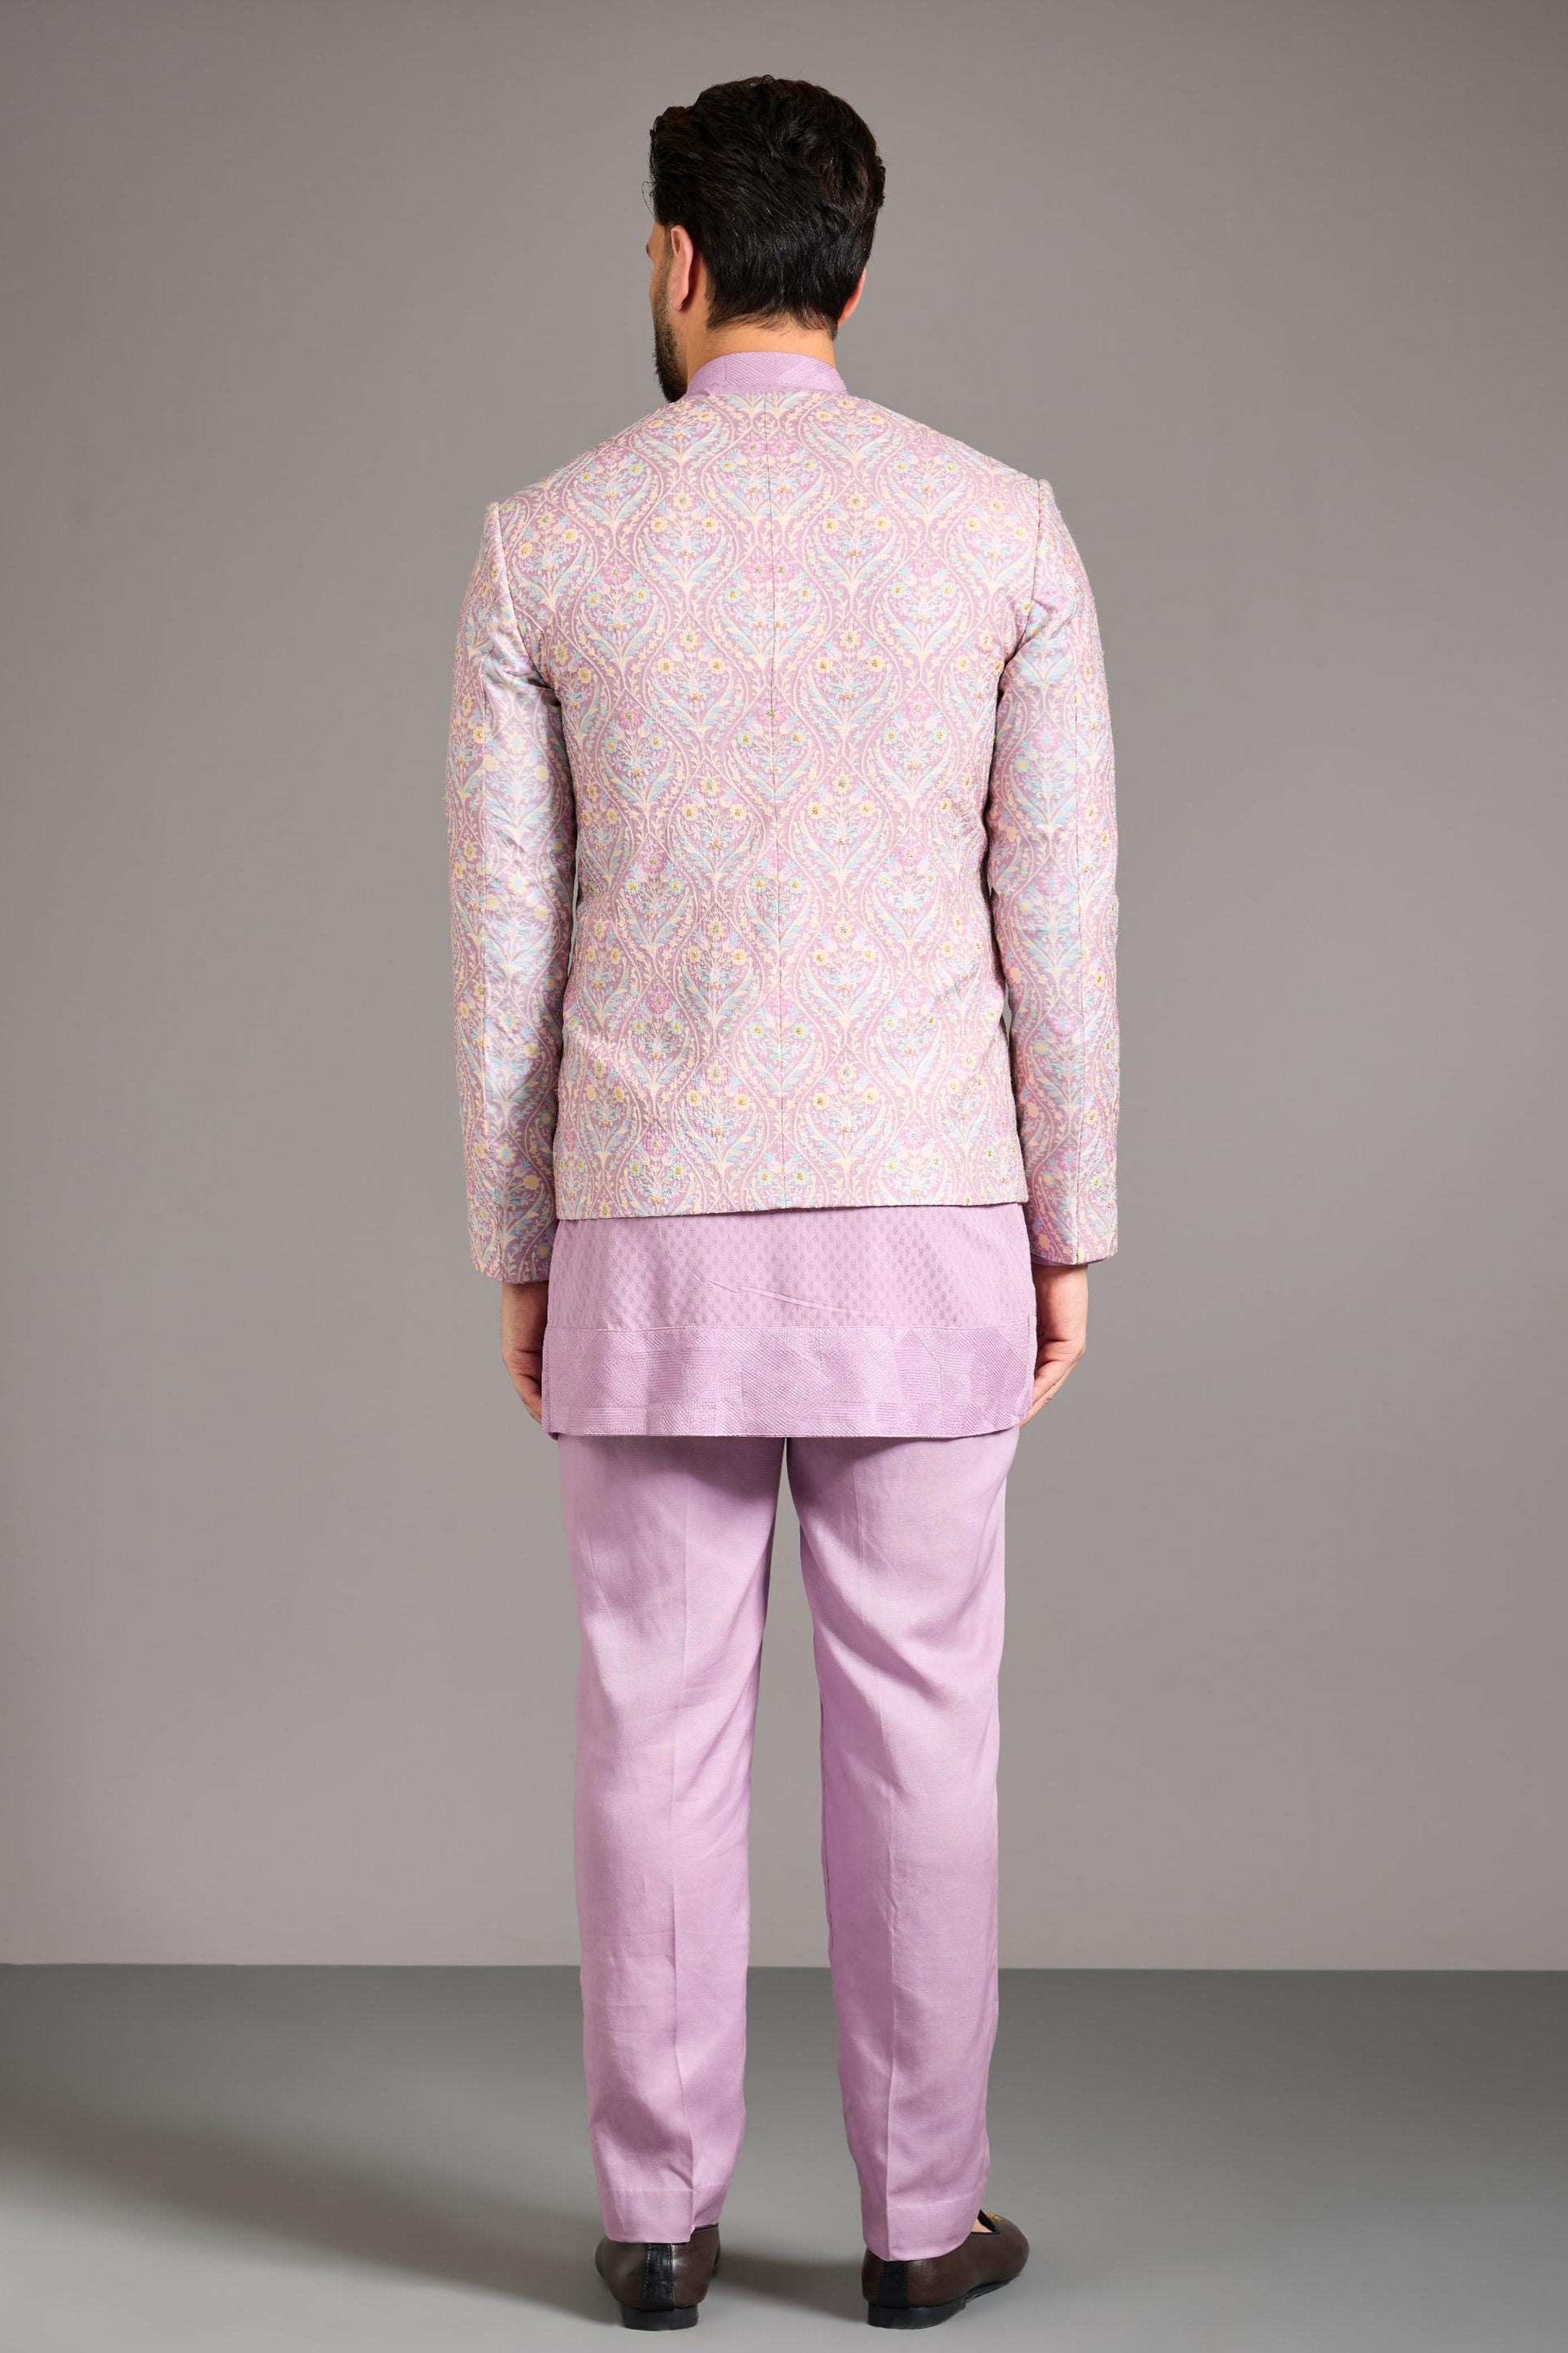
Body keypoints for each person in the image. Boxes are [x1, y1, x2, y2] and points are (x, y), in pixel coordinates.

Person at [444, 73, 1118, 2332]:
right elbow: (1061, 926)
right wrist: (1068, 1223)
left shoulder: (545, 542)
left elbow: (506, 952)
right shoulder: (1001, 530)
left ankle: (654, 2222)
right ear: (857, 260)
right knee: (924, 1728)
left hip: (647, 1226)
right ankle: (921, 2228)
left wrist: (518, 1244)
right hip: (927, 1216)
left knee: (652, 1726)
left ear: (675, 258)